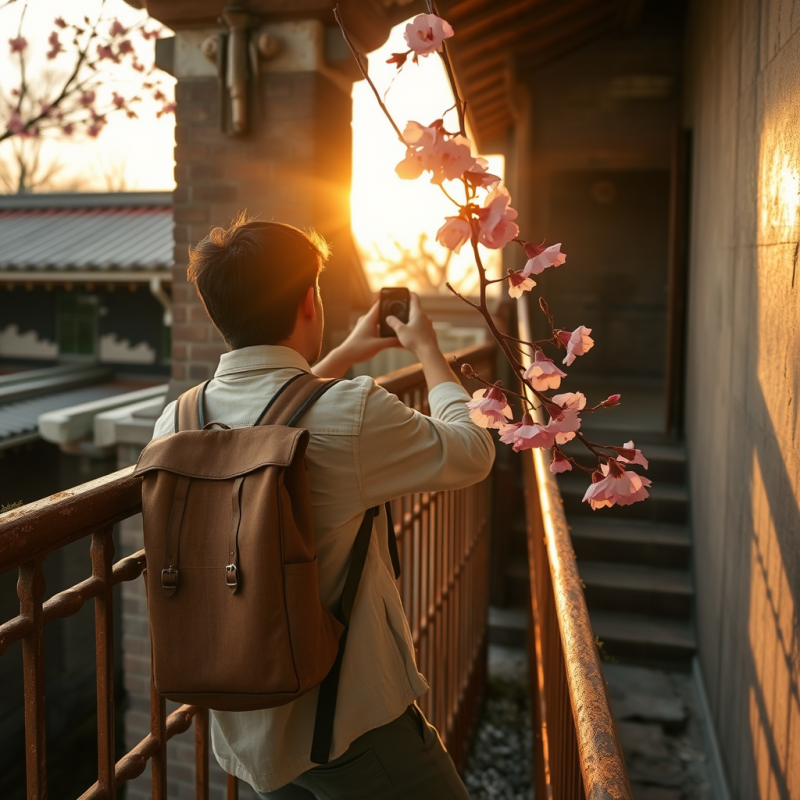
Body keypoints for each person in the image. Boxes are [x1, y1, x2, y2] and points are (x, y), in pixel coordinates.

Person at [151, 218, 494, 799]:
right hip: (349, 720)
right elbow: (473, 451)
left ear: (217, 310)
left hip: (246, 721)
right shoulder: (354, 411)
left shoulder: (177, 421)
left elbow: (277, 415)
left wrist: (348, 351)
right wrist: (429, 352)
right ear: (309, 301)